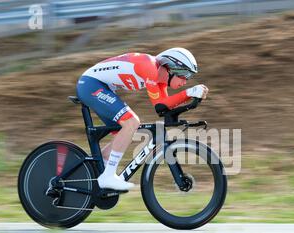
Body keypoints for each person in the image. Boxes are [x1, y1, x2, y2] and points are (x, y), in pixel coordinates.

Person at [76, 48, 209, 190]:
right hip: (91, 84)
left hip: (102, 87)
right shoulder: (150, 66)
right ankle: (107, 176)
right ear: (171, 68)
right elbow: (159, 105)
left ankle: (98, 164)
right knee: (131, 122)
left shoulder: (160, 79)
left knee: (126, 131)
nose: (185, 81)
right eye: (185, 75)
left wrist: (191, 98)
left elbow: (164, 107)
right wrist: (189, 93)